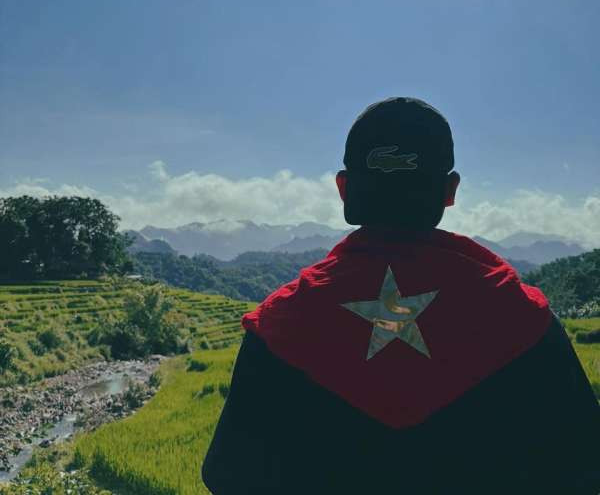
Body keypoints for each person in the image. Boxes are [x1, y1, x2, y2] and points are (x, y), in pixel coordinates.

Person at [202, 97, 599, 495]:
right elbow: (585, 466)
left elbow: (226, 474)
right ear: (450, 190)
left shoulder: (283, 324)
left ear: (343, 189)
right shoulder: (521, 319)